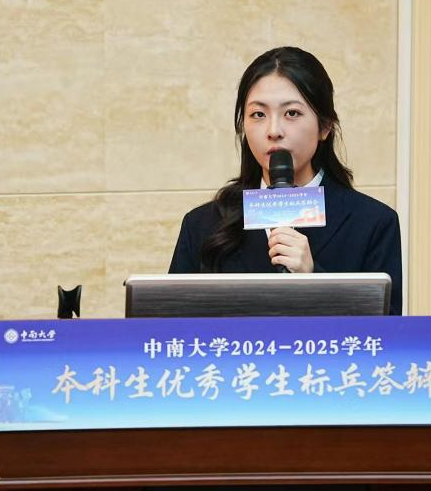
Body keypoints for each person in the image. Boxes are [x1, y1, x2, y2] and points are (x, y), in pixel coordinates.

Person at [168, 47, 403, 315]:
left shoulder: (373, 223)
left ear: (325, 126)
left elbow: (385, 334)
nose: (273, 131)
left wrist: (314, 278)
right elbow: (169, 329)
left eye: (291, 113)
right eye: (258, 114)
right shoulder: (202, 225)